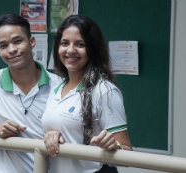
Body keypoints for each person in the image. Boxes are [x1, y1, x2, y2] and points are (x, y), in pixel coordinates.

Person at [0, 13, 61, 173]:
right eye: (4, 45)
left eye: (18, 41)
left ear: (32, 42)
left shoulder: (58, 85)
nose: (12, 50)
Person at [42, 15, 132, 173]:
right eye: (64, 43)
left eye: (80, 44)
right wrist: (51, 135)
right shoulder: (57, 88)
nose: (70, 50)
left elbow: (127, 154)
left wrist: (114, 145)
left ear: (92, 49)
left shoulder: (104, 90)